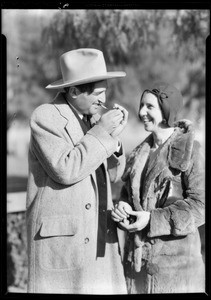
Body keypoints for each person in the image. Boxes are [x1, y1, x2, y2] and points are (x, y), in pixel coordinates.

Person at [26, 48, 129, 294]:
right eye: (97, 94)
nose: (103, 100)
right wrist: (102, 133)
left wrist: (114, 140)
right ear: (73, 92)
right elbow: (66, 168)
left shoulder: (92, 120)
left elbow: (113, 176)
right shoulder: (46, 117)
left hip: (99, 238)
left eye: (105, 92)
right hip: (65, 245)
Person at [111, 82, 205, 293]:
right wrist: (123, 209)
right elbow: (127, 195)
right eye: (141, 105)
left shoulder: (191, 151)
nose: (141, 112)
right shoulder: (137, 154)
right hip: (137, 270)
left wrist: (152, 220)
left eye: (149, 107)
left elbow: (201, 206)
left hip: (176, 272)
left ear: (166, 112)